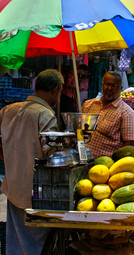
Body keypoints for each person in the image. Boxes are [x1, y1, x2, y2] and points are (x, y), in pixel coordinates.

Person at [0, 69, 64, 255]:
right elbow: (50, 153)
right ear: (56, 89)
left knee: (17, 237)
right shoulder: (45, 115)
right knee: (36, 240)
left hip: (13, 186)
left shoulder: (8, 109)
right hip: (36, 190)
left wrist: (7, 156)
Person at [82, 71, 134, 159]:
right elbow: (81, 131)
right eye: (107, 84)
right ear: (102, 85)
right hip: (83, 159)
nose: (109, 88)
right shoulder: (88, 105)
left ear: (121, 88)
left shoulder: (127, 114)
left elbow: (129, 147)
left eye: (114, 86)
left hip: (106, 166)